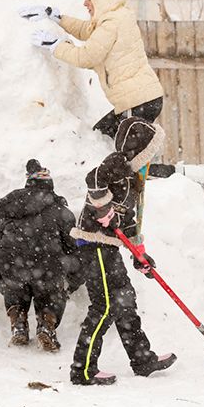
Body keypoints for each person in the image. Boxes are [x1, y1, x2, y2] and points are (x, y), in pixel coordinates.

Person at [19, 0, 204, 210]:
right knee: (100, 137)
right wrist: (56, 17)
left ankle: (196, 175)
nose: (85, 3)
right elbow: (88, 32)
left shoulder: (111, 24)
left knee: (128, 167)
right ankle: (167, 169)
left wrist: (55, 46)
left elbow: (87, 55)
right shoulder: (115, 19)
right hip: (140, 100)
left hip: (136, 102)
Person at [68, 116, 176, 386]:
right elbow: (93, 179)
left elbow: (129, 225)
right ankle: (82, 371)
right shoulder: (118, 165)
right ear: (140, 150)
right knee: (104, 306)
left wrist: (140, 255)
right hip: (93, 244)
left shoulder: (134, 180)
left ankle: (142, 359)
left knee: (125, 302)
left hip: (110, 246)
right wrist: (103, 209)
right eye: (150, 151)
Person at [0, 159, 82, 352]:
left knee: (15, 287)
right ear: (50, 187)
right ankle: (47, 324)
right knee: (51, 293)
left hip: (12, 265)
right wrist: (73, 280)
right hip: (47, 268)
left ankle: (18, 323)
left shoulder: (9, 209)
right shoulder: (61, 212)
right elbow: (74, 248)